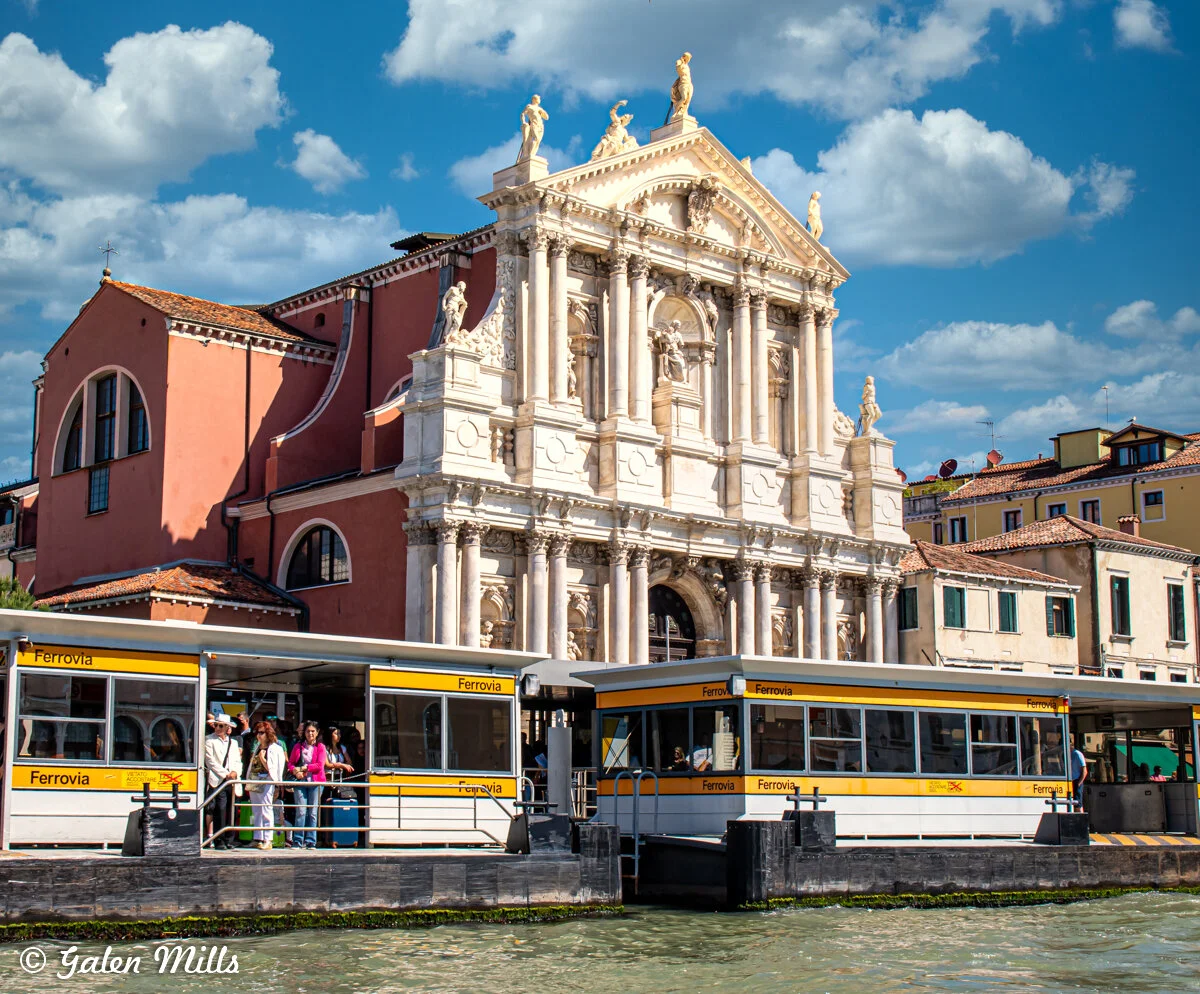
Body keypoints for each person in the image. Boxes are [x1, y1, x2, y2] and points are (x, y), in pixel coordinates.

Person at [204, 714, 243, 849]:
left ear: (227, 727)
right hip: (219, 779)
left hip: (232, 780)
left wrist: (235, 773)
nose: (218, 728)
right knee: (219, 808)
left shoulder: (234, 743)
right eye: (216, 725)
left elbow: (238, 761)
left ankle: (229, 839)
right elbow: (210, 762)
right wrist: (226, 774)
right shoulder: (209, 740)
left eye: (221, 725)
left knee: (231, 809)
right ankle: (219, 839)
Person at [287, 721, 327, 850]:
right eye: (308, 731)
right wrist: (295, 771)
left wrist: (304, 768)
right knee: (301, 811)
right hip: (301, 782)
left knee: (312, 812)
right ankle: (298, 841)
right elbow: (291, 763)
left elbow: (320, 765)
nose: (310, 733)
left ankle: (311, 841)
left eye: (313, 731)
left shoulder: (320, 747)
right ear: (304, 733)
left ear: (317, 733)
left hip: (315, 782)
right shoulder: (298, 747)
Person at [246, 721, 286, 851]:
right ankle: (258, 838)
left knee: (266, 809)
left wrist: (263, 759)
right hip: (255, 779)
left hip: (267, 780)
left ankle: (268, 839)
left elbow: (274, 769)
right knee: (256, 810)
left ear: (268, 733)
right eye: (257, 733)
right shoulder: (257, 747)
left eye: (262, 733)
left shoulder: (275, 748)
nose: (259, 735)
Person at [321, 726, 355, 847]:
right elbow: (327, 764)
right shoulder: (324, 748)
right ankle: (325, 836)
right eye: (336, 733)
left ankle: (338, 834)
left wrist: (342, 765)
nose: (338, 736)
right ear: (330, 735)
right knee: (326, 805)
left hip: (339, 779)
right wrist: (340, 765)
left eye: (339, 733)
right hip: (328, 779)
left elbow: (349, 762)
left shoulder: (342, 748)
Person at [1070, 740, 1088, 810]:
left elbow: (1084, 771)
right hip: (1070, 781)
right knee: (1072, 803)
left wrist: (1079, 783)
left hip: (1077, 780)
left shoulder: (1077, 754)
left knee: (1077, 804)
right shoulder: (1067, 755)